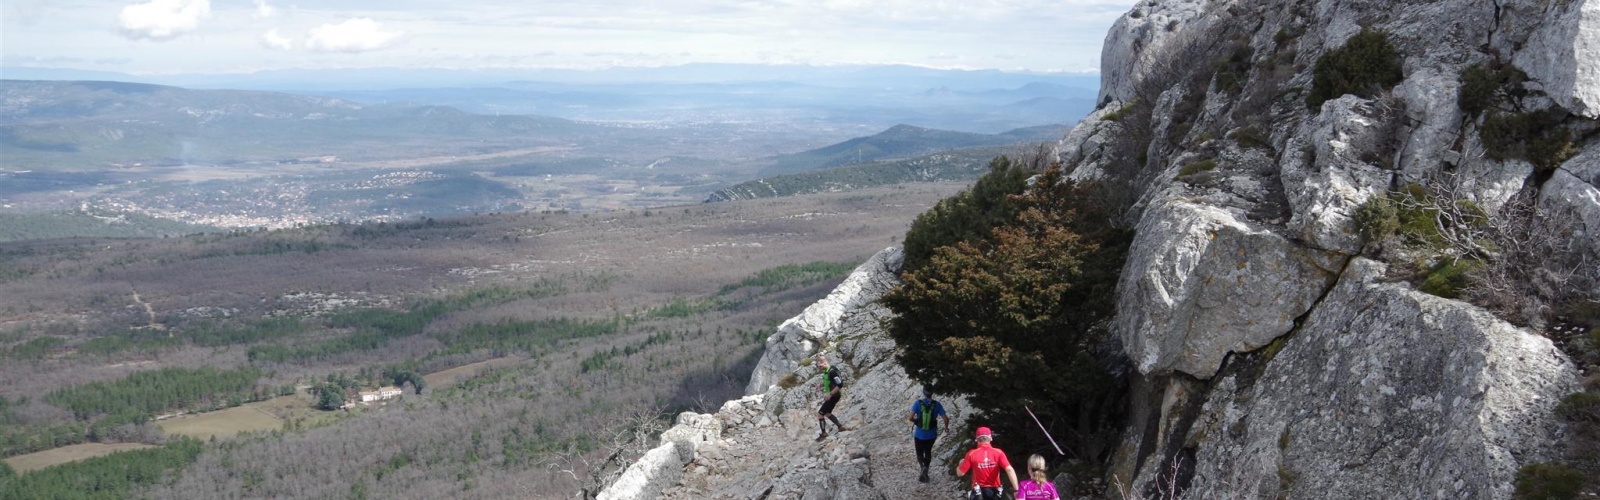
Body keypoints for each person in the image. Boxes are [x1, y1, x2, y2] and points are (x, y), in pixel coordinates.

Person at [956, 427, 1018, 500]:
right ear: (990, 438)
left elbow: (960, 473)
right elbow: (1009, 469)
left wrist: (960, 463)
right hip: (995, 492)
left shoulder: (971, 454)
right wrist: (1016, 490)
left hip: (978, 493)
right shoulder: (998, 452)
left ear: (977, 439)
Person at [908, 385, 949, 482]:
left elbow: (910, 418)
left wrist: (917, 422)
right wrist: (946, 428)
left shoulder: (918, 403)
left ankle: (922, 467)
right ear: (932, 393)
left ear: (923, 392)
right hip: (931, 435)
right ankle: (926, 469)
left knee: (919, 453)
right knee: (928, 451)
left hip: (919, 434)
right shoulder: (937, 404)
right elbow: (946, 419)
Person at [814, 354, 847, 441]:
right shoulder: (827, 371)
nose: (819, 368)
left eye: (820, 366)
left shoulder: (832, 371)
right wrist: (820, 385)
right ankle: (840, 426)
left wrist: (830, 394)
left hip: (834, 396)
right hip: (833, 396)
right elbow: (828, 380)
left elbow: (840, 384)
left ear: (824, 363)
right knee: (827, 413)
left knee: (820, 414)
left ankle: (823, 434)